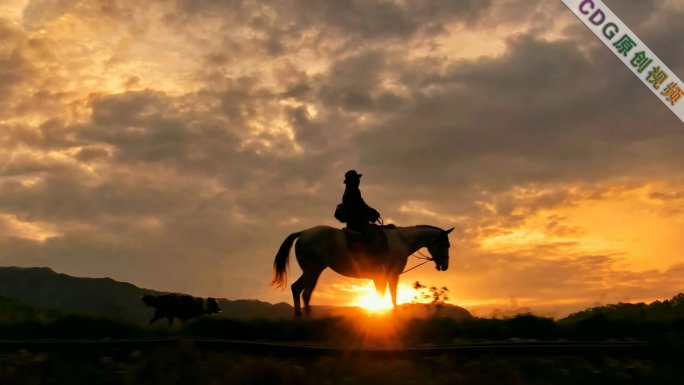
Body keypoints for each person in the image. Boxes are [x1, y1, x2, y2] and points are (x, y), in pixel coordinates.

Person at [339, 170, 388, 265]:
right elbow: (361, 205)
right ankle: (373, 262)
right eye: (357, 179)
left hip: (352, 221)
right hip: (357, 222)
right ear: (353, 180)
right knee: (375, 237)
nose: (359, 181)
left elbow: (360, 206)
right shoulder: (353, 190)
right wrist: (374, 212)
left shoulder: (348, 190)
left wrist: (371, 212)